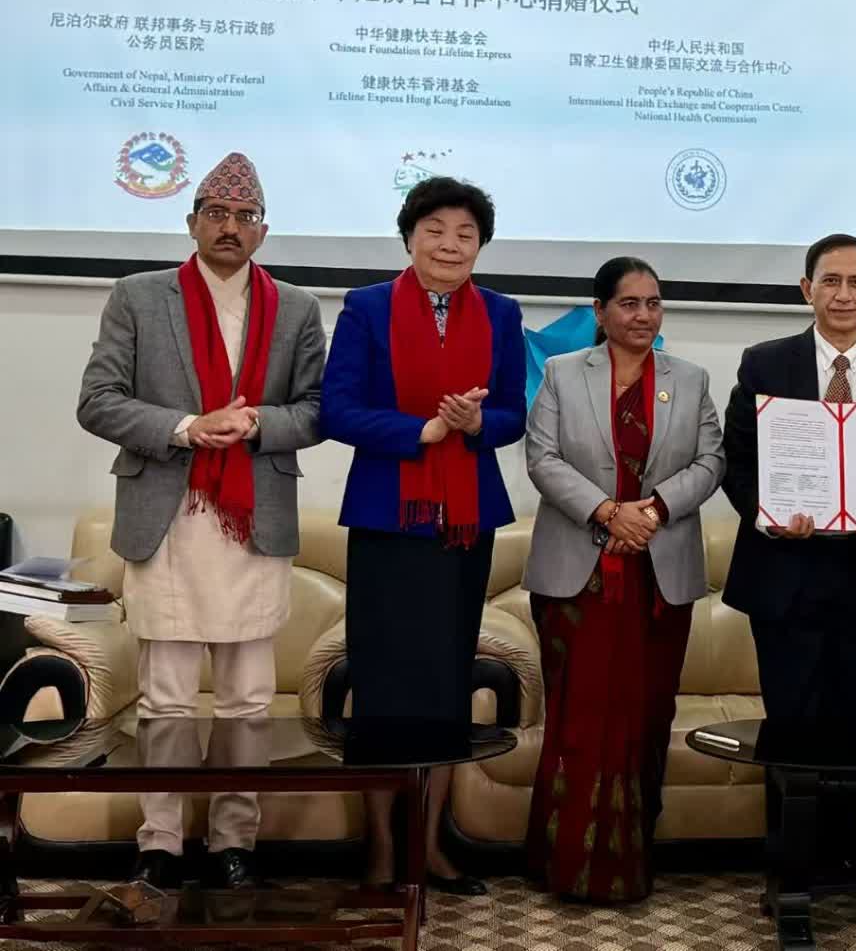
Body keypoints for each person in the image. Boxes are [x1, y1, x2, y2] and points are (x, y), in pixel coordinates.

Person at [76, 152, 326, 890]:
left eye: (245, 216)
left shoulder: (296, 308)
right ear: (191, 224)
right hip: (169, 514)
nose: (230, 227)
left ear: (263, 232)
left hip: (254, 516)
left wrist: (254, 423)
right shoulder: (138, 296)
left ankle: (233, 840)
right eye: (216, 213)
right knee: (167, 697)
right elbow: (97, 400)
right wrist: (188, 426)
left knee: (247, 697)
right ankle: (160, 841)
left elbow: (317, 410)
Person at [321, 176, 527, 896]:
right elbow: (338, 409)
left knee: (445, 688)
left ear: (480, 246)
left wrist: (477, 424)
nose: (450, 244)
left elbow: (514, 413)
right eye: (435, 229)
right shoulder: (368, 307)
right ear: (409, 237)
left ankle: (431, 844)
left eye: (465, 234)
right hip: (389, 519)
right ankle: (381, 847)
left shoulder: (500, 313)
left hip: (463, 526)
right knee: (381, 689)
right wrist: (422, 431)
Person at [721, 233, 856, 873]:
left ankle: (844, 853)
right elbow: (737, 462)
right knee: (791, 723)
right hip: (787, 574)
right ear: (807, 289)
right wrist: (771, 516)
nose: (843, 294)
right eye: (830, 281)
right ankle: (789, 859)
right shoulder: (764, 364)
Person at [523, 257, 726, 903]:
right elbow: (542, 459)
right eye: (629, 303)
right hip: (576, 579)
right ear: (601, 311)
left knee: (645, 715)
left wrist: (654, 511)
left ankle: (631, 861)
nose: (643, 315)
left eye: (653, 303)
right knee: (579, 718)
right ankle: (565, 861)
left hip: (658, 579)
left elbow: (712, 461)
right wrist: (609, 512)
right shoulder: (562, 373)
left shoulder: (690, 380)